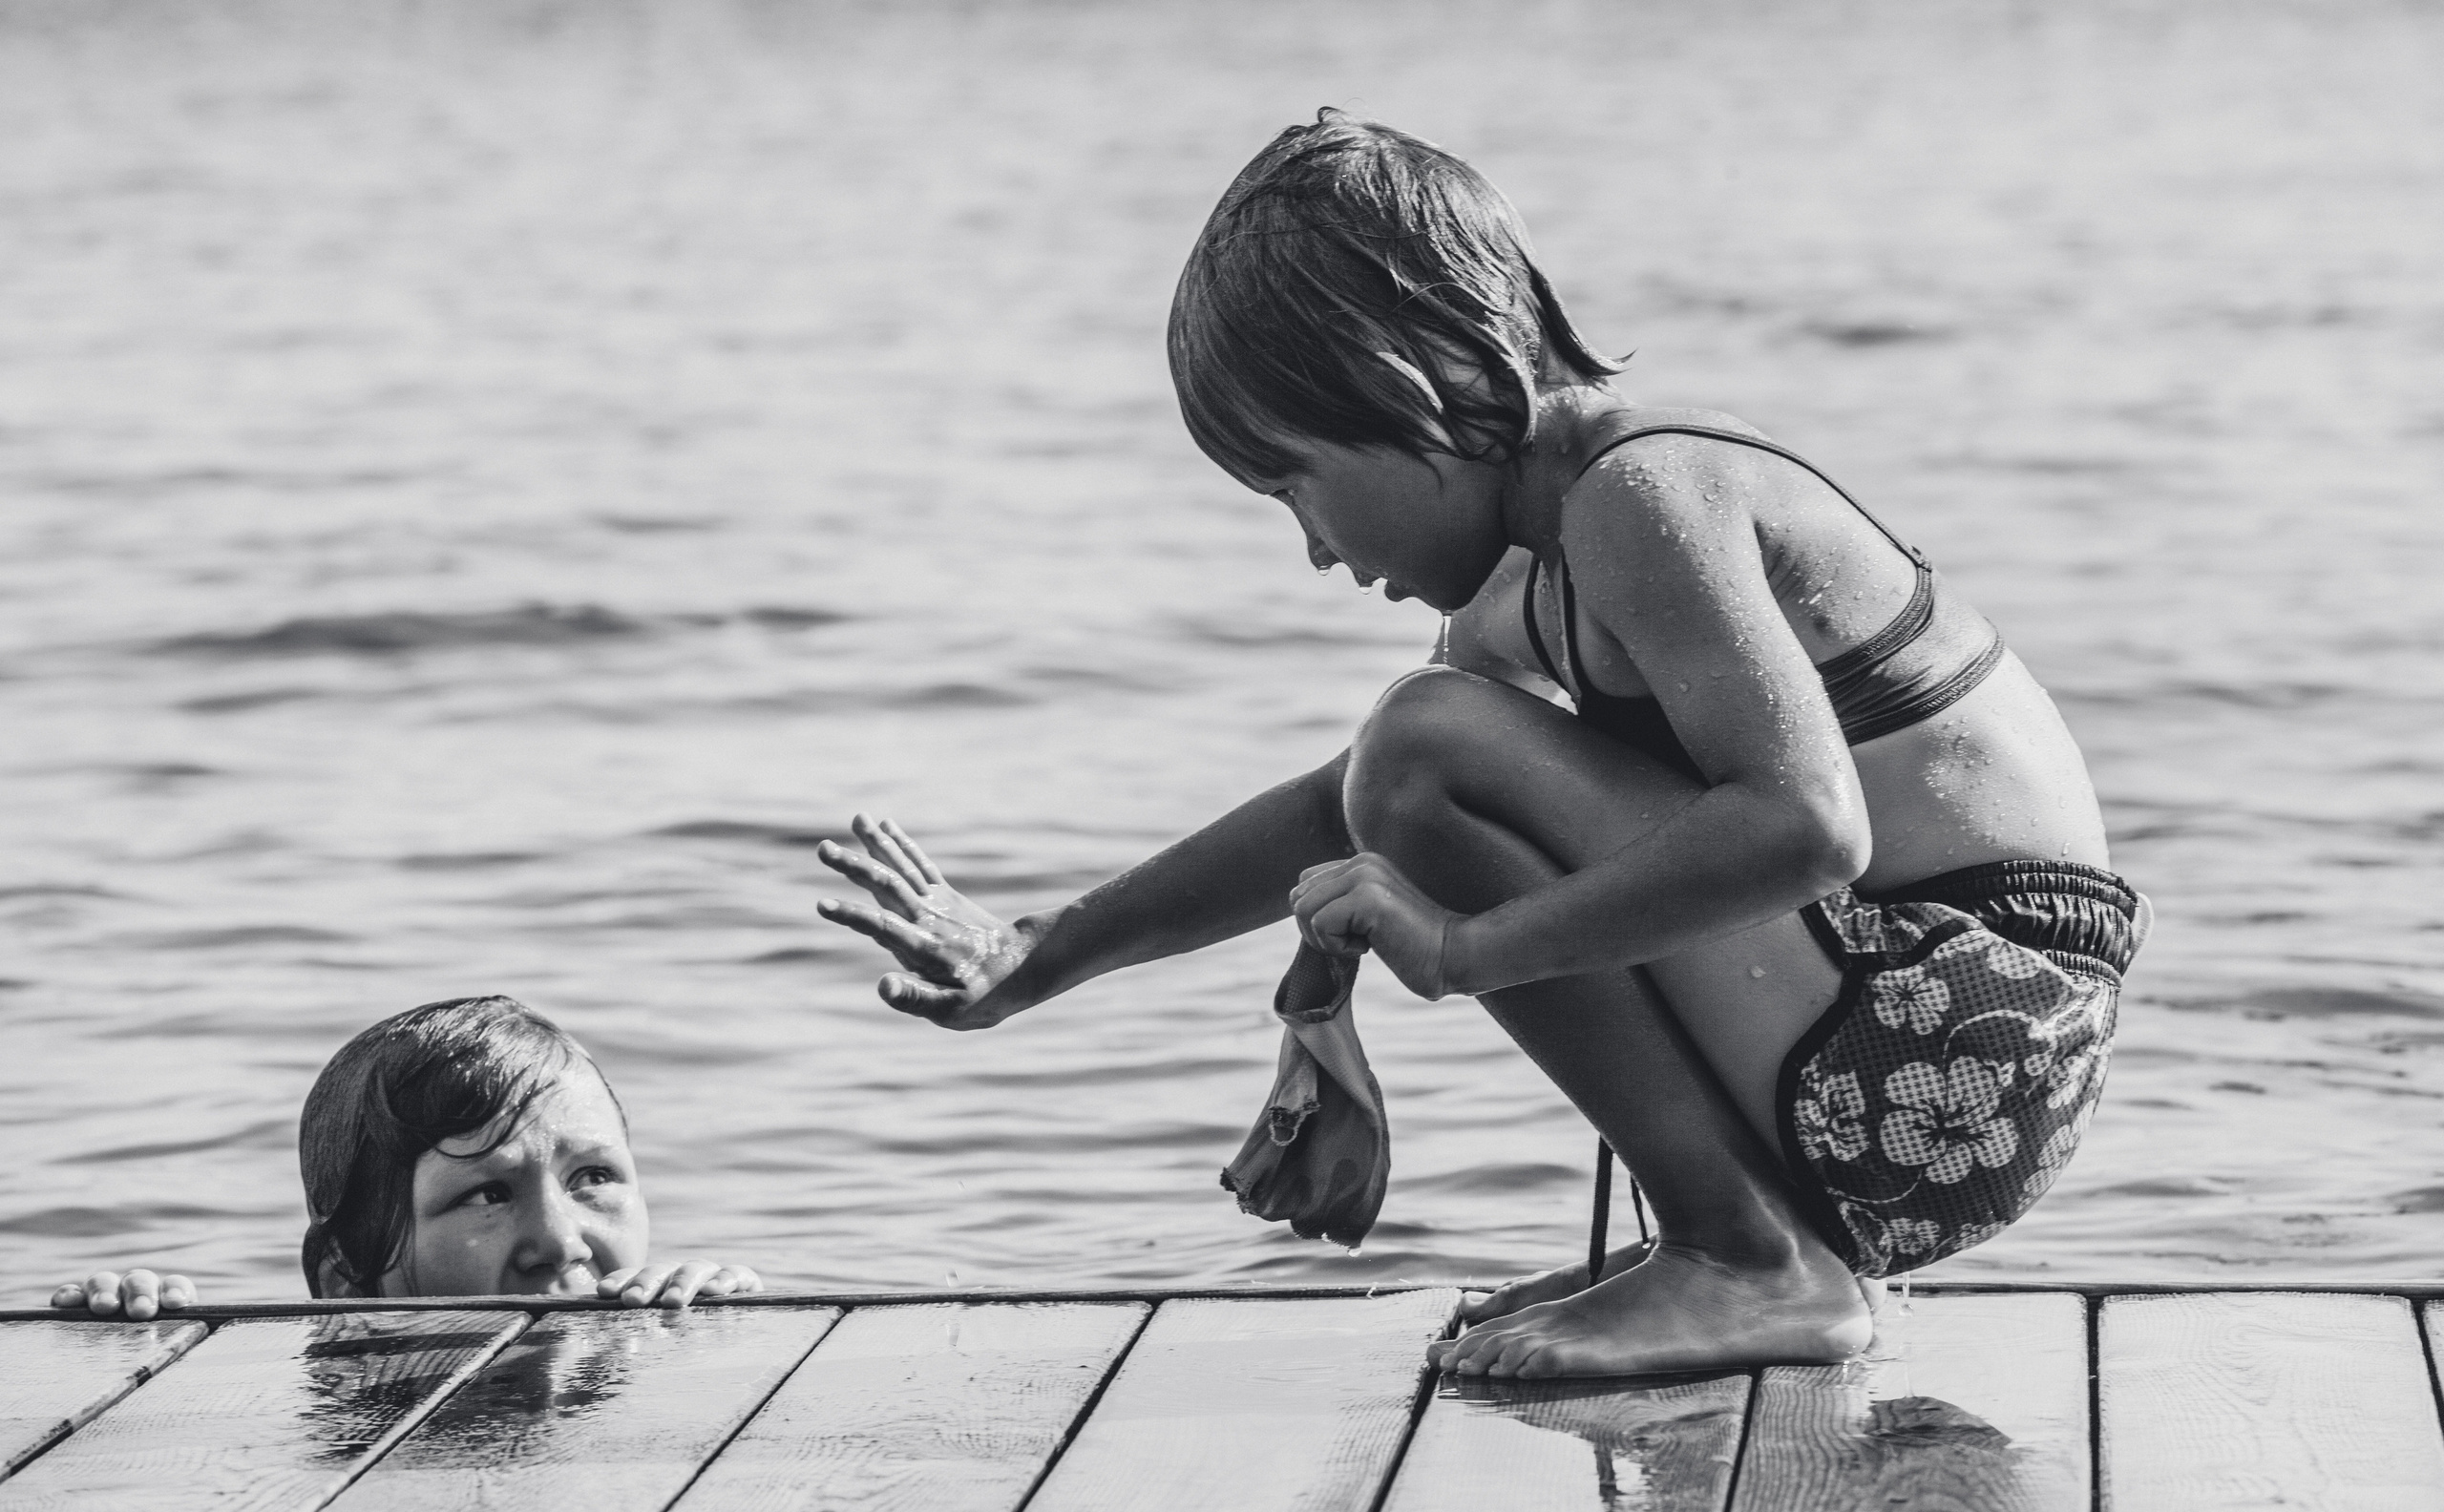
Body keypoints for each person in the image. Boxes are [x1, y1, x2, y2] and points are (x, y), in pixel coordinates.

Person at [815, 111, 2142, 1378]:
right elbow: (1358, 806)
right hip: (1921, 1061)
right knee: (1413, 755)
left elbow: (1806, 826)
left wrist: (1466, 954)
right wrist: (1047, 955)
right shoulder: (1537, 568)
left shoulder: (1641, 492)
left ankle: (1744, 1253)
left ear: (1421, 385)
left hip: (1972, 1038)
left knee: (1421, 740)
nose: (1318, 551)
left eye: (1296, 486)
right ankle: (1740, 1243)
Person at [50, 996, 762, 1319]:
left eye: (594, 1178)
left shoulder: (679, 1342)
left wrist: (730, 1337)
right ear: (347, 1282)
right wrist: (138, 1355)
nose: (560, 1242)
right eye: (487, 1193)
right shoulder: (333, 1411)